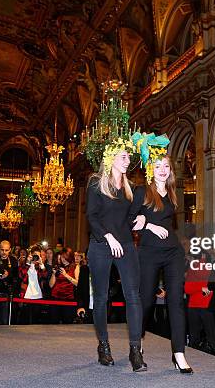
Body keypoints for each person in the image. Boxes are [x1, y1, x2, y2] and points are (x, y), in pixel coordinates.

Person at [129, 133, 193, 374]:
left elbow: (170, 224)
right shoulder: (141, 192)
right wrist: (146, 223)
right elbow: (128, 221)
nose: (163, 170)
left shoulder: (175, 193)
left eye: (166, 166)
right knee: (145, 301)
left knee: (176, 300)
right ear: (150, 168)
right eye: (158, 166)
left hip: (173, 252)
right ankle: (137, 343)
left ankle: (178, 353)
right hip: (148, 252)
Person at [85, 137, 146, 372]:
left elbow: (127, 219)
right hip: (101, 244)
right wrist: (107, 236)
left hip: (125, 245)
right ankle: (104, 346)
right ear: (111, 159)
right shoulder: (95, 183)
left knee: (133, 295)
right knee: (101, 297)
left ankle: (135, 351)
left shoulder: (131, 189)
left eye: (129, 156)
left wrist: (141, 218)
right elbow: (92, 216)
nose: (128, 159)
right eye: (123, 156)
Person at [49, 249, 79, 324]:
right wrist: (53, 274)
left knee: (67, 323)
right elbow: (51, 285)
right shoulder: (58, 266)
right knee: (54, 322)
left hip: (68, 299)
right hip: (55, 297)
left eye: (63, 257)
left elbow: (77, 283)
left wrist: (66, 275)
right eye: (61, 257)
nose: (61, 259)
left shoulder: (75, 267)